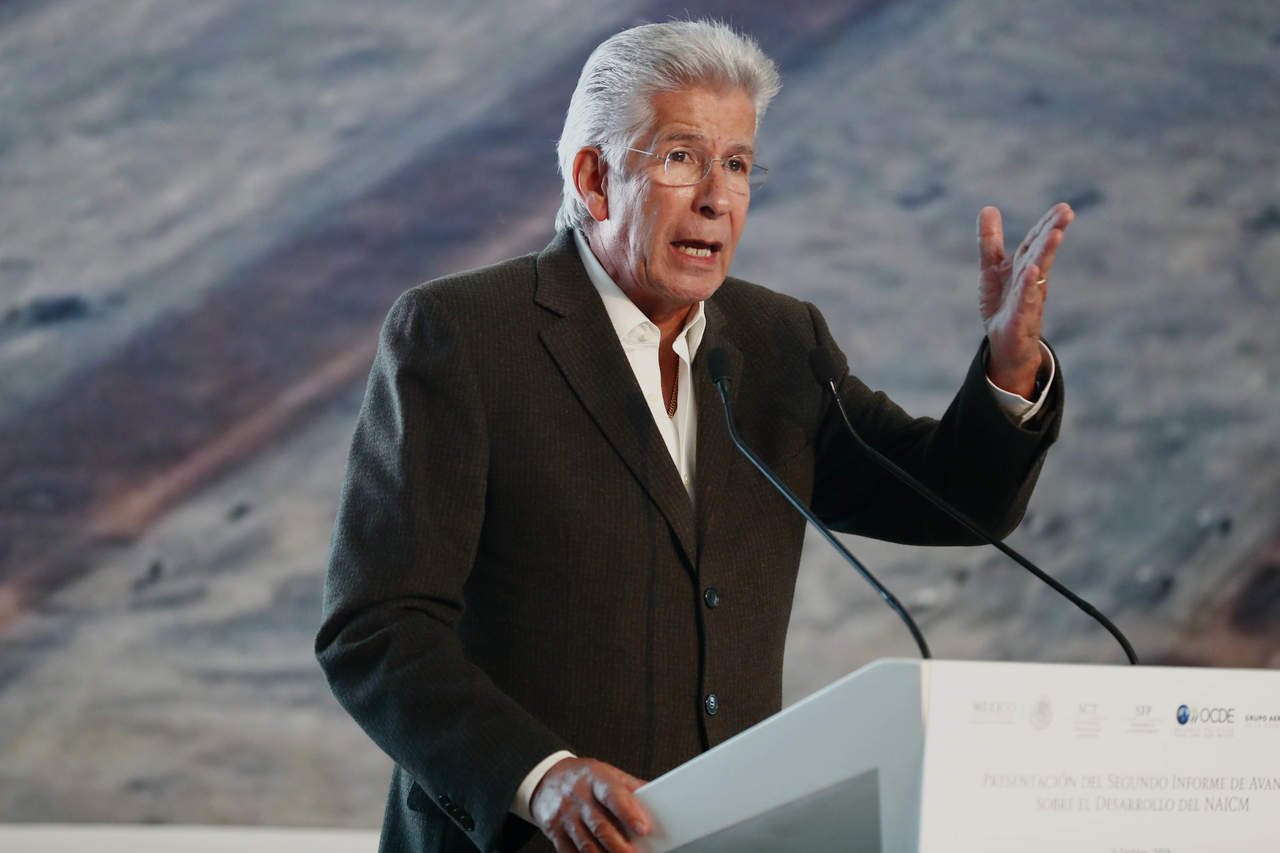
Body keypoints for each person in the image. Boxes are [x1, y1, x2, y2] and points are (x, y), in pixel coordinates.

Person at [316, 19, 1071, 853]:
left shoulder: (780, 343)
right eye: (682, 156)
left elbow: (954, 500)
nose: (717, 196)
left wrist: (1011, 364)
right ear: (594, 178)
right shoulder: (464, 334)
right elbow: (376, 627)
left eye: (738, 164)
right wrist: (541, 777)